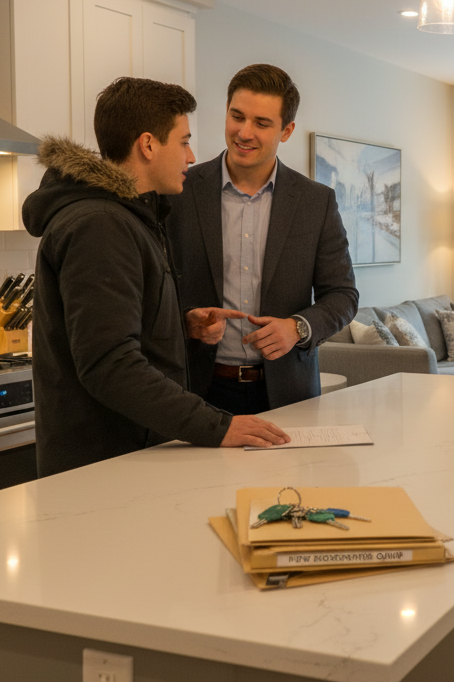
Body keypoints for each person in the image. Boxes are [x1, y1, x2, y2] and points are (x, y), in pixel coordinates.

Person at [23, 77, 290, 477]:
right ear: (148, 145)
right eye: (183, 142)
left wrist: (178, 327)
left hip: (127, 457)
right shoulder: (100, 224)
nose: (191, 156)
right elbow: (110, 364)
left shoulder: (128, 217)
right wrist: (219, 425)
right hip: (105, 469)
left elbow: (113, 328)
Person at [167, 64, 358, 415]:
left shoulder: (316, 202)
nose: (244, 132)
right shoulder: (178, 191)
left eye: (262, 123)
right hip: (194, 390)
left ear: (287, 131)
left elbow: (343, 295)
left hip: (288, 394)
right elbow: (151, 291)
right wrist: (186, 322)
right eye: (237, 116)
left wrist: (297, 328)